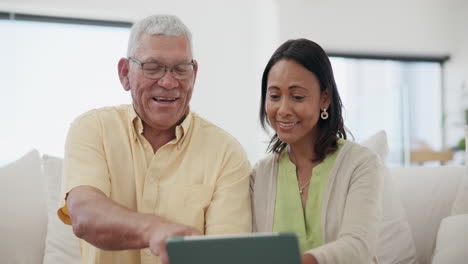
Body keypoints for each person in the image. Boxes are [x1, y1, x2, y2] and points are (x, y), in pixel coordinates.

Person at [57, 14, 252, 264]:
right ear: (125, 73)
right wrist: (155, 230)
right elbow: (85, 215)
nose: (169, 82)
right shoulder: (93, 129)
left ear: (194, 73)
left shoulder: (227, 153)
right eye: (152, 67)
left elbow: (224, 256)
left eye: (181, 69)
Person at [250, 38, 384, 264]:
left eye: (297, 97)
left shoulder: (361, 164)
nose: (283, 110)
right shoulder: (260, 175)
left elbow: (358, 247)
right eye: (274, 96)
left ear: (325, 98)